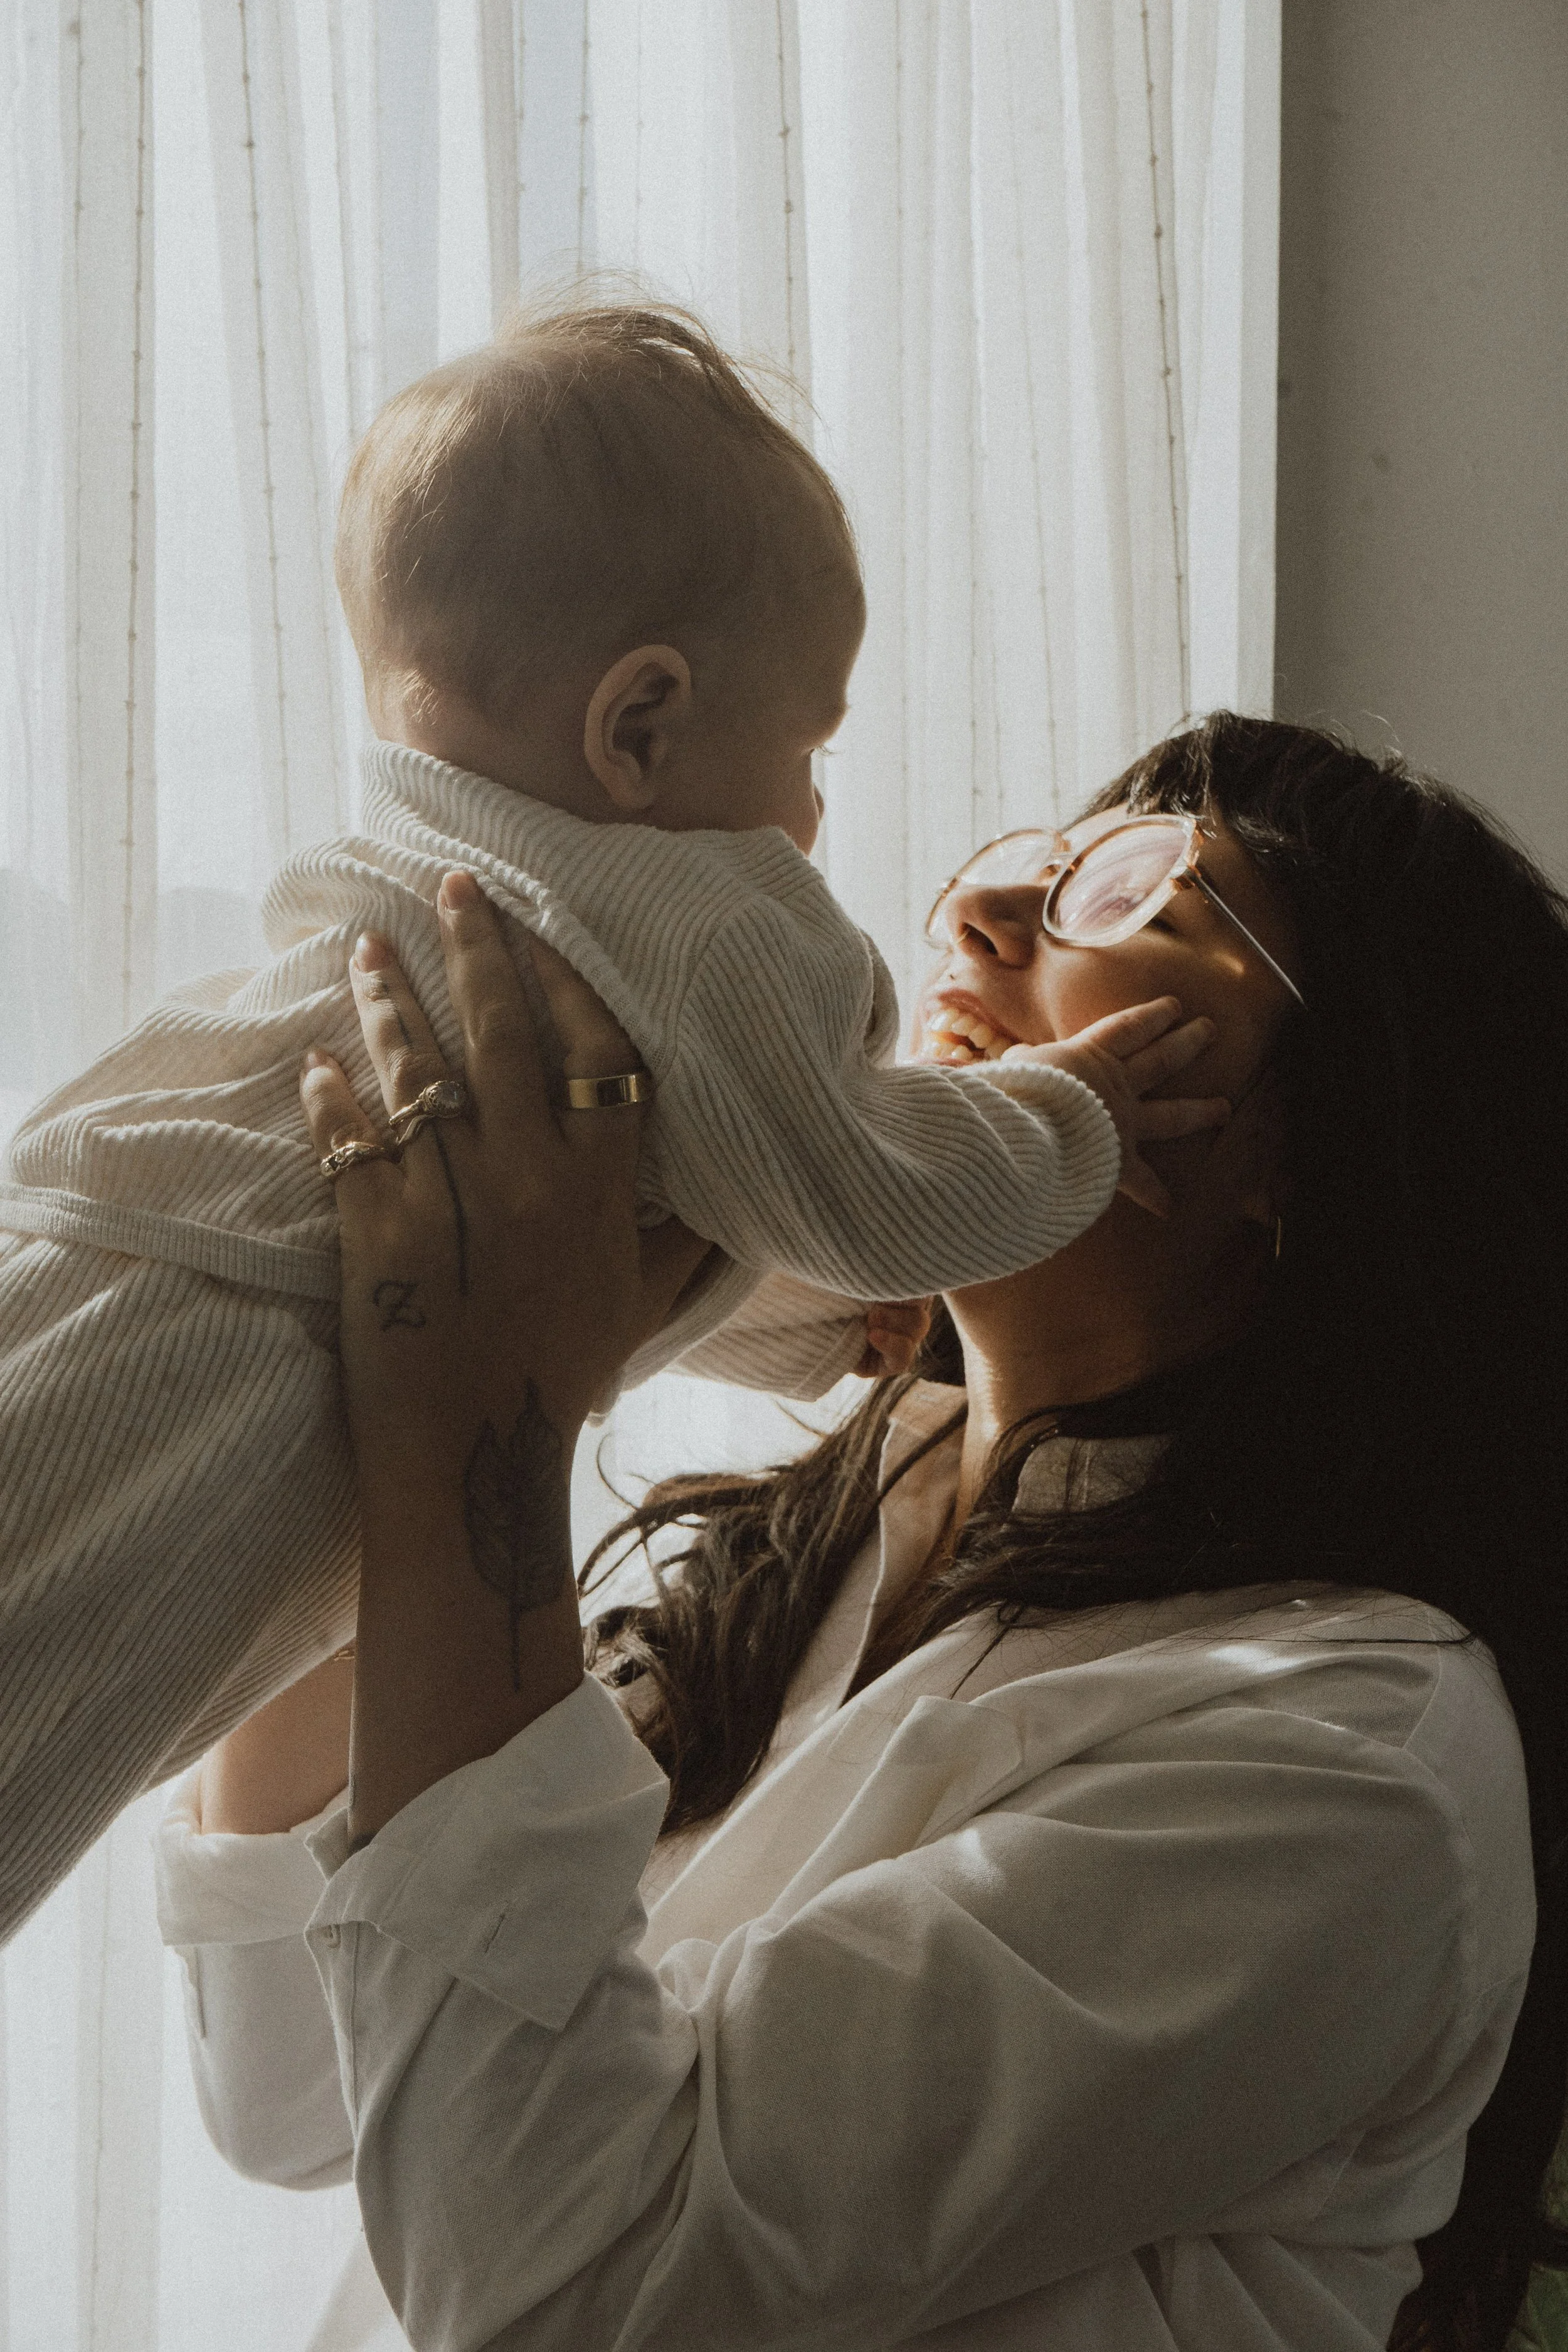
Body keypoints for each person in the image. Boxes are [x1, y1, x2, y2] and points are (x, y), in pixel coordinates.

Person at [156, 712, 1568, 2351]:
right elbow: (288, 2082)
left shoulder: (1347, 1766)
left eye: (1128, 897)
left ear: (1312, 1148)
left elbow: (561, 2283)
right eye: (1018, 865)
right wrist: (403, 1355)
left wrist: (482, 1415)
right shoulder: (864, 1506)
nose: (975, 922)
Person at [0, 302, 1226, 1941]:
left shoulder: (432, 887)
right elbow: (859, 1192)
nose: (812, 815)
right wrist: (1064, 1118)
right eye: (805, 748)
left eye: (1129, 891)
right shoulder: (707, 917)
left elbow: (590, 1229)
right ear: (639, 725)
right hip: (211, 1399)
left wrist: (797, 1327)